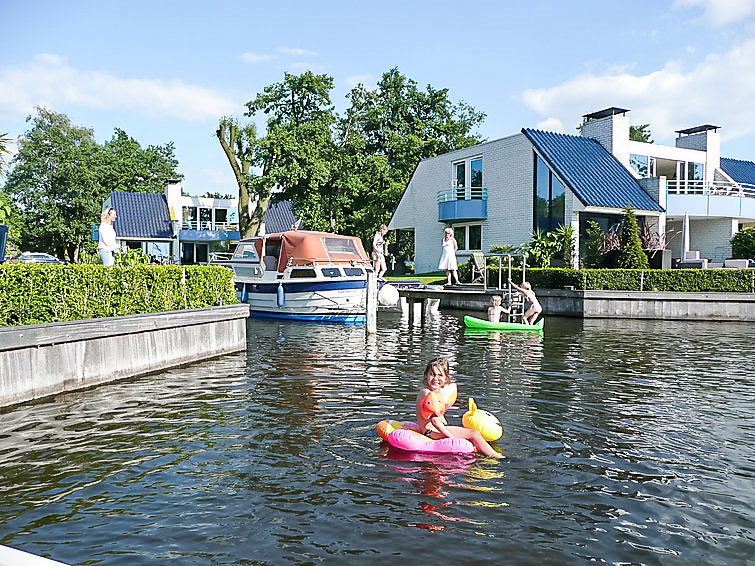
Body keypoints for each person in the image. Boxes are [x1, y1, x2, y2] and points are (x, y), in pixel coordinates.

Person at [416, 357, 502, 458]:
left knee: (468, 433)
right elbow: (434, 421)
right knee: (474, 433)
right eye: (432, 374)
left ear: (446, 378)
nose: (436, 378)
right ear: (426, 375)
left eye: (440, 375)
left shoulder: (436, 393)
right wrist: (452, 438)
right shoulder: (427, 393)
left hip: (434, 430)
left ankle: (481, 453)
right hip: (430, 432)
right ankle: (495, 456)